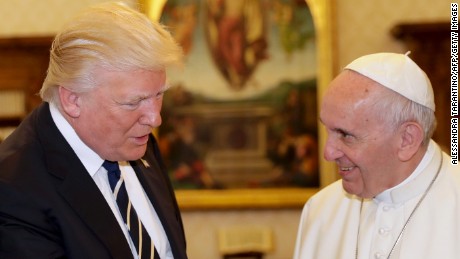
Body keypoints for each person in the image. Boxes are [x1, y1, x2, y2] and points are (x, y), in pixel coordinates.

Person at [0, 2, 187, 259]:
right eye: (133, 102)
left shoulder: (133, 138)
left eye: (159, 95)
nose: (155, 119)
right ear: (73, 100)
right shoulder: (12, 189)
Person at [293, 52, 459, 259]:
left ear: (407, 139)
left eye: (345, 135)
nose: (327, 153)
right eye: (328, 130)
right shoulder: (320, 211)